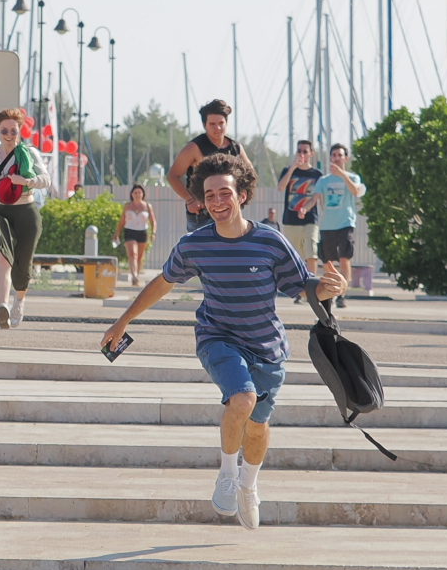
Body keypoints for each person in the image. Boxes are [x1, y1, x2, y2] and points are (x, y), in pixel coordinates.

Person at [101, 159, 344, 531]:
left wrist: (328, 288)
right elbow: (164, 282)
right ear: (201, 201)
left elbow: (304, 285)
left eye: (225, 193)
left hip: (268, 349)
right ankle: (227, 474)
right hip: (218, 338)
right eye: (209, 195)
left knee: (258, 428)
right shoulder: (195, 245)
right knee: (241, 400)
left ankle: (248, 485)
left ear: (242, 196)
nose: (217, 201)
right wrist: (124, 319)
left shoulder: (270, 241)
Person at [0, 107, 47, 327]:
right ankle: (2, 305)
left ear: (20, 131)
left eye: (13, 131)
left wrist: (25, 181)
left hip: (27, 210)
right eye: (4, 130)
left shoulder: (30, 153)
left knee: (23, 263)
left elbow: (45, 179)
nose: (8, 135)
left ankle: (19, 302)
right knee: (3, 257)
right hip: (1, 211)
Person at [168, 100, 251, 232]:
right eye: (212, 124)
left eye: (221, 123)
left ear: (226, 123)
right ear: (204, 125)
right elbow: (173, 176)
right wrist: (189, 200)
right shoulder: (194, 147)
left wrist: (240, 197)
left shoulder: (236, 148)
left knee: (230, 251)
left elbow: (250, 175)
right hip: (202, 215)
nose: (217, 128)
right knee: (203, 252)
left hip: (230, 213)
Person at [315, 144, 366, 309]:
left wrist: (343, 174)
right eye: (334, 155)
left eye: (340, 155)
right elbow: (316, 198)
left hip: (346, 223)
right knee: (327, 262)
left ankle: (342, 296)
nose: (337, 158)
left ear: (346, 158)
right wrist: (303, 208)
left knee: (345, 259)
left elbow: (356, 192)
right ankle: (328, 294)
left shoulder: (353, 177)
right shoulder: (323, 181)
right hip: (327, 225)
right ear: (330, 158)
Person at [274, 140, 322, 273]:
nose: (302, 154)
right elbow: (281, 187)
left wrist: (305, 209)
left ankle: (312, 285)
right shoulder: (288, 170)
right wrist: (293, 168)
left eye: (305, 151)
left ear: (311, 153)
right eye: (299, 151)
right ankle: (297, 287)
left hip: (310, 220)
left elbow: (315, 197)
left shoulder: (317, 175)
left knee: (311, 255)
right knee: (293, 257)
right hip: (290, 220)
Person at [118, 183, 156, 285]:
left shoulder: (147, 206)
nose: (137, 194)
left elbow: (153, 221)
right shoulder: (127, 206)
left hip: (142, 232)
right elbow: (122, 220)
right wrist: (117, 233)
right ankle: (134, 275)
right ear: (132, 194)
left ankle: (137, 275)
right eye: (135, 192)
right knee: (132, 254)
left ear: (143, 194)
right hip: (130, 231)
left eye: (139, 192)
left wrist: (153, 232)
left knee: (139, 256)